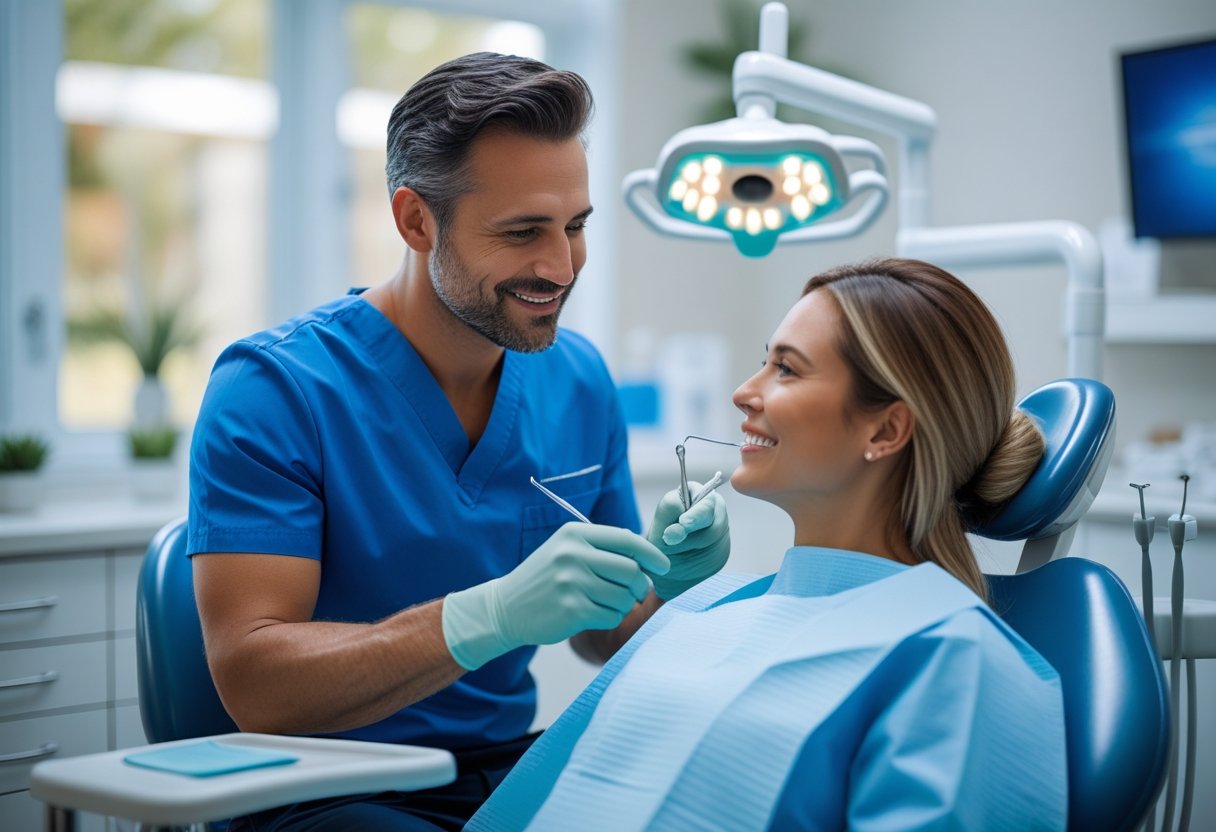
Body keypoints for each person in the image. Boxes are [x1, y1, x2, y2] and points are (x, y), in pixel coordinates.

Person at [185, 52, 730, 831]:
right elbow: (256, 686)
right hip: (328, 793)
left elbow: (603, 635)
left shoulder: (576, 379)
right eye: (521, 233)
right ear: (415, 220)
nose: (560, 266)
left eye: (574, 227)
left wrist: (666, 583)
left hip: (511, 772)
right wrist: (489, 616)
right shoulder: (276, 391)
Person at [466, 258, 1069, 831]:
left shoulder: (957, 658)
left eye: (787, 368)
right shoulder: (708, 605)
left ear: (886, 429)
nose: (743, 392)